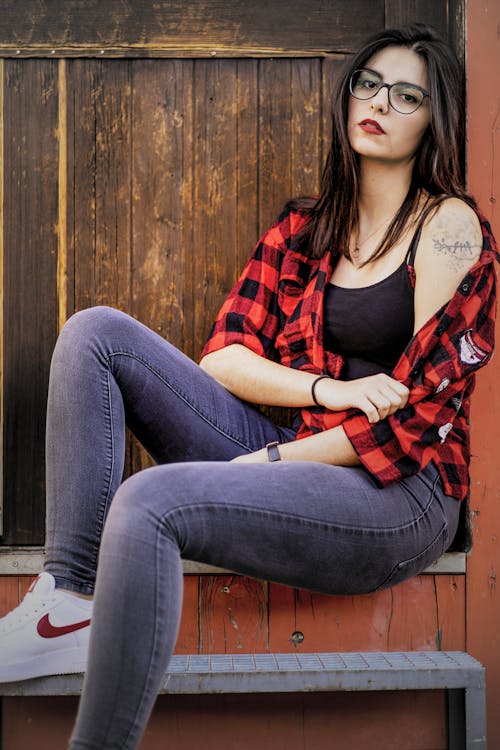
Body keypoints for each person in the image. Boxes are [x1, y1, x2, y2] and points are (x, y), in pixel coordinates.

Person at [0, 22, 498, 750]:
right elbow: (225, 359)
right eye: (368, 83)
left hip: (400, 496)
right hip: (305, 445)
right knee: (94, 334)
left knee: (148, 499)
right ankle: (68, 599)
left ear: (435, 119)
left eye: (407, 95)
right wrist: (331, 391)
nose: (380, 102)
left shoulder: (448, 228)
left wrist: (272, 463)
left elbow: (418, 418)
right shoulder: (306, 228)